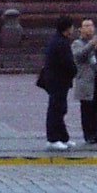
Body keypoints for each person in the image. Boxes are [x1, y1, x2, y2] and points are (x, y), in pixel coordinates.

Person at [71, 18, 97, 148]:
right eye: (86, 26)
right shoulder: (77, 43)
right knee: (87, 110)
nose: (90, 28)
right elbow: (79, 55)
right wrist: (90, 45)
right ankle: (88, 135)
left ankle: (96, 133)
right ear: (81, 29)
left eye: (91, 25)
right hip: (86, 81)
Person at [37, 17, 76, 150]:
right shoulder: (61, 43)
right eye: (72, 27)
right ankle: (53, 139)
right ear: (67, 28)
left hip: (57, 80)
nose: (73, 29)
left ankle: (63, 137)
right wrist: (74, 71)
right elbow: (67, 63)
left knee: (60, 108)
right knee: (56, 109)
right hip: (58, 81)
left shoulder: (58, 40)